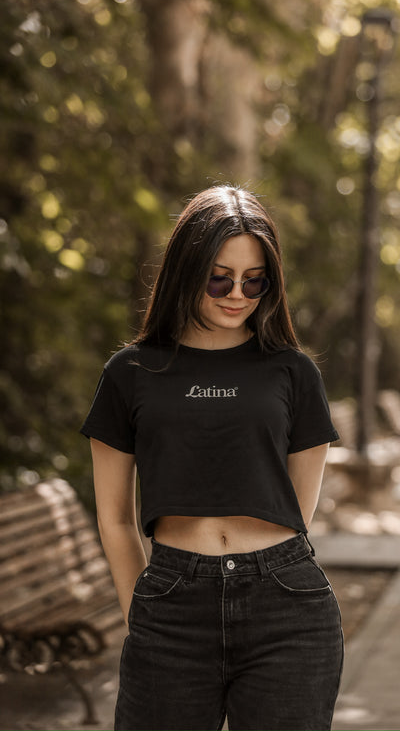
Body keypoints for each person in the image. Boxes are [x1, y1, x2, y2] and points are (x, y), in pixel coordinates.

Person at [81, 185, 344, 731]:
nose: (237, 294)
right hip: (170, 604)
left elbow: (295, 510)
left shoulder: (294, 373)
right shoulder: (129, 374)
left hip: (287, 607)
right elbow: (114, 517)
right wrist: (144, 613)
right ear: (187, 268)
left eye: (255, 280)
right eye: (219, 276)